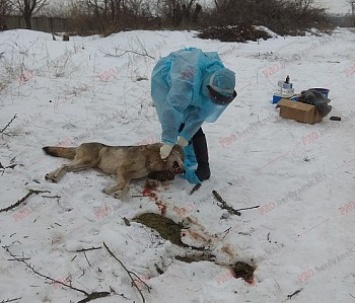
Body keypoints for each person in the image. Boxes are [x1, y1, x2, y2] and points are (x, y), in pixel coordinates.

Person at [150, 47, 237, 184]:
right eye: (214, 97)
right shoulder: (185, 83)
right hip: (167, 78)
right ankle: (177, 151)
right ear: (209, 87)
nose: (215, 101)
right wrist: (168, 140)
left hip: (196, 86)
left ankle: (201, 165)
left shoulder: (221, 80)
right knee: (178, 120)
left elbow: (201, 113)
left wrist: (186, 135)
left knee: (192, 124)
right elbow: (172, 110)